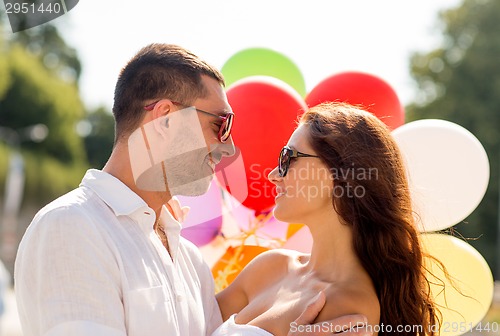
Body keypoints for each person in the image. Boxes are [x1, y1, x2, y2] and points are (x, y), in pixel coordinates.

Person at [14, 44, 369, 336]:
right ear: (165, 119)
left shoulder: (188, 259)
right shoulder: (72, 227)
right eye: (221, 124)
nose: (229, 149)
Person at [213, 102, 439, 336]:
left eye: (287, 158)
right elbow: (183, 325)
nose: (273, 175)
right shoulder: (269, 266)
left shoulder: (348, 309)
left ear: (340, 174)